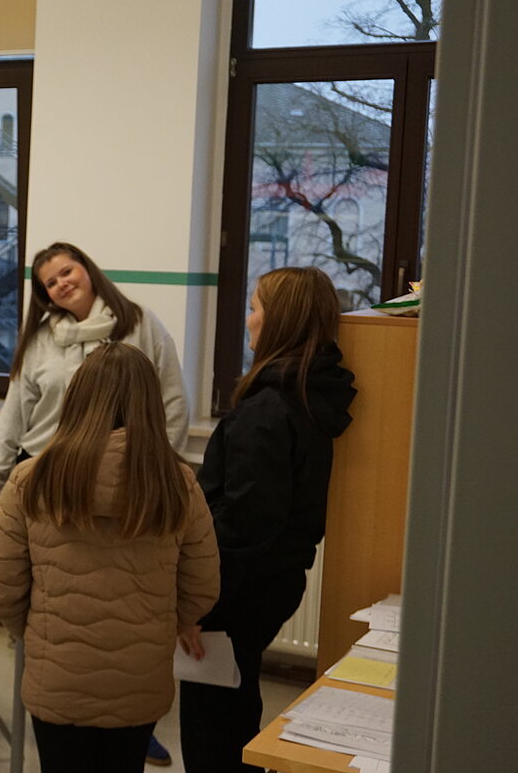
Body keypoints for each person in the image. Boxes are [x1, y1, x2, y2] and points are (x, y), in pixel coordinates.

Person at [0, 240, 188, 766]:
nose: (63, 284)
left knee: (122, 612)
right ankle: (66, 718)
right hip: (50, 486)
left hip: (130, 482)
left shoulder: (139, 324)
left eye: (68, 271)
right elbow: (14, 415)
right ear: (44, 296)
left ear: (87, 269)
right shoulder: (41, 339)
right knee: (65, 618)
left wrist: (157, 468)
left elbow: (172, 402)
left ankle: (133, 727)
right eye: (51, 282)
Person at [0, 341, 219, 773]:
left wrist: (37, 631)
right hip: (140, 676)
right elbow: (202, 586)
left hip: (57, 675)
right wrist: (162, 626)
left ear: (76, 399)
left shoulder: (33, 479)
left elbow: (1, 586)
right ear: (151, 405)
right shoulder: (176, 483)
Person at [178, 266, 356, 773]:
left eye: (255, 308)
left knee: (213, 728)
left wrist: (196, 602)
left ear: (279, 321)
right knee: (235, 708)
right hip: (272, 582)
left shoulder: (268, 409)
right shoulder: (309, 393)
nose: (248, 320)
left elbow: (244, 527)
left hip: (234, 594)